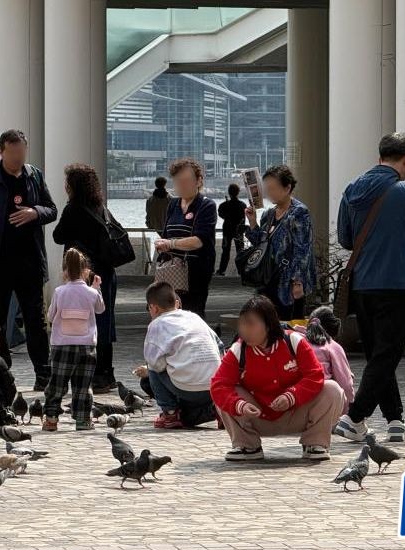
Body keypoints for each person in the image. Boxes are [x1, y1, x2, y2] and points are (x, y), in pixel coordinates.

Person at [333, 132, 405, 444]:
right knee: (386, 356)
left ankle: (395, 420)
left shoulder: (352, 189)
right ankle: (355, 415)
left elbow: (347, 240)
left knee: (380, 353)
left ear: (380, 157)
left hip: (363, 286)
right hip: (399, 285)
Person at [0, 129, 57, 390]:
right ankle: (1, 368)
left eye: (22, 153)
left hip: (30, 262)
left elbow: (52, 209)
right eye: (13, 153)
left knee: (36, 321)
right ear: (1, 152)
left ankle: (43, 373)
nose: (18, 158)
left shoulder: (34, 175)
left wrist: (34, 212)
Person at [210, 296, 345, 461]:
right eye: (243, 324)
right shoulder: (238, 350)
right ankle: (247, 445)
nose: (245, 330)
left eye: (251, 324)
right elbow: (219, 386)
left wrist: (292, 396)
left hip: (296, 413)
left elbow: (315, 375)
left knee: (331, 389)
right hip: (256, 415)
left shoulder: (293, 341)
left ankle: (315, 442)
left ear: (268, 325)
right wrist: (240, 405)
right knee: (222, 394)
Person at [52, 163, 119, 394]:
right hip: (106, 272)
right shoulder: (100, 206)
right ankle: (106, 374)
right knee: (106, 320)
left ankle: (92, 374)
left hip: (84, 273)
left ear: (73, 186)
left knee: (87, 322)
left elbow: (57, 236)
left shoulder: (73, 209)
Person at [139, 281, 219, 429]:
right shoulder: (194, 317)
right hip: (215, 388)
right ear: (176, 303)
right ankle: (220, 409)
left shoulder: (156, 325)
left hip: (186, 388)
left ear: (153, 308)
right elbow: (219, 346)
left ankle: (170, 413)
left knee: (152, 368)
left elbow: (156, 364)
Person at [42, 249, 106, 432]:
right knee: (83, 386)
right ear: (86, 270)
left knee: (57, 384)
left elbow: (52, 317)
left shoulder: (59, 292)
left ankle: (52, 419)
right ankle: (83, 420)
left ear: (64, 271)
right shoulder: (91, 293)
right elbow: (100, 309)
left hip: (62, 345)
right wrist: (96, 288)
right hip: (87, 346)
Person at [244, 165, 317, 321]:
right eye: (267, 189)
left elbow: (302, 250)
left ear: (287, 187)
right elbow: (260, 244)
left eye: (273, 188)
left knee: (290, 325)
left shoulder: (299, 212)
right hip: (268, 279)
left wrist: (297, 282)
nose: (269, 193)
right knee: (267, 324)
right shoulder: (268, 214)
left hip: (287, 281)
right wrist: (252, 222)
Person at [154, 158, 217, 319]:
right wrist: (163, 245)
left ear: (199, 181)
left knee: (192, 316)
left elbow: (199, 240)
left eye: (186, 180)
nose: (182, 185)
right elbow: (167, 233)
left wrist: (171, 243)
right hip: (172, 272)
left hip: (195, 274)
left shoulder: (206, 206)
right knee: (169, 316)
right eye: (178, 181)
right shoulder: (173, 205)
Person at [301, 307, 355, 414]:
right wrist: (351, 414)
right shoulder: (332, 346)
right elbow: (345, 384)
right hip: (322, 406)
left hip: (293, 403)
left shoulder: (296, 339)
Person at [216, 183, 247, 276]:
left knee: (225, 251)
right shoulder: (243, 205)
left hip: (227, 230)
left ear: (229, 193)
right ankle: (241, 271)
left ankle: (222, 270)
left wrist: (228, 216)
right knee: (240, 251)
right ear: (238, 192)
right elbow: (243, 218)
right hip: (238, 231)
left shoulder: (223, 205)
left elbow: (221, 214)